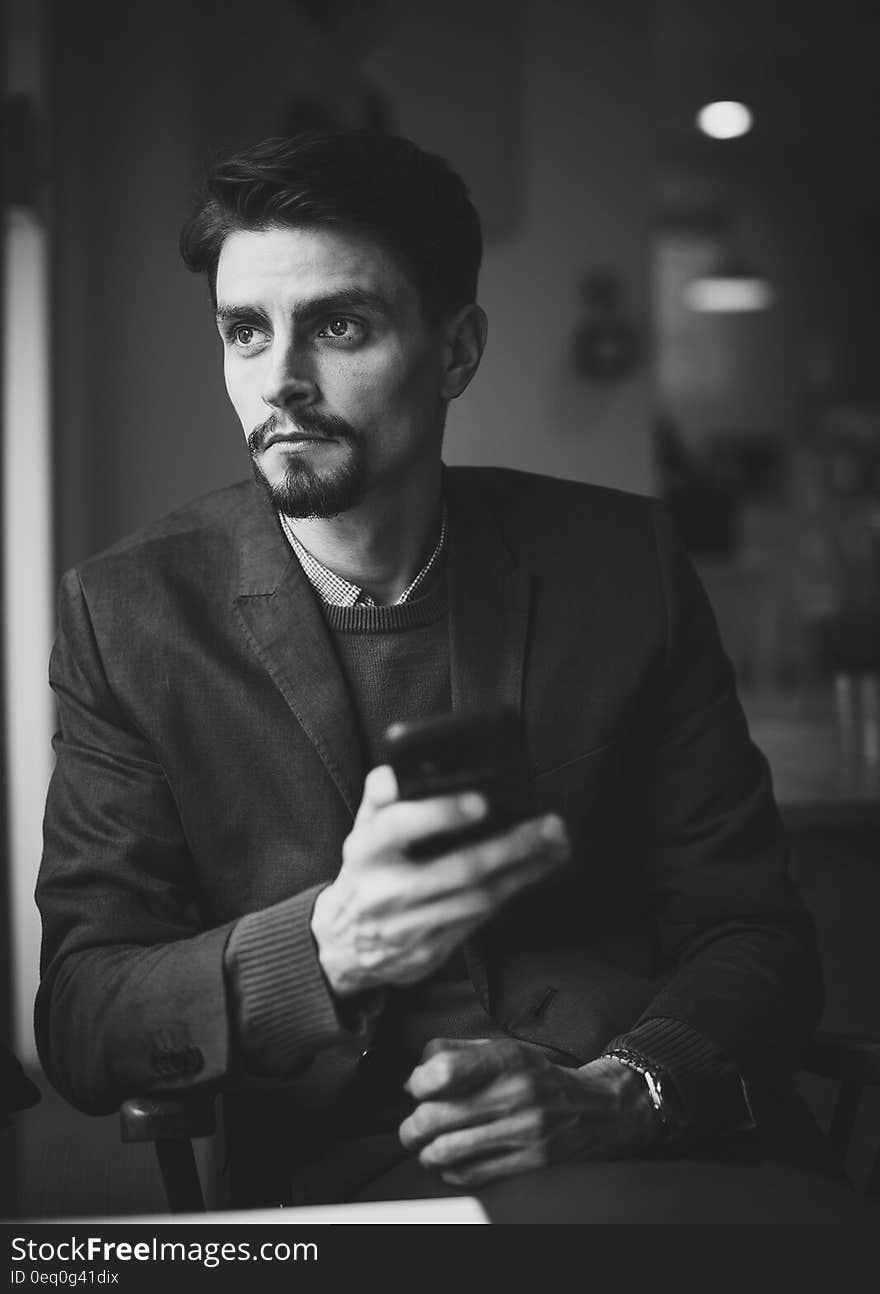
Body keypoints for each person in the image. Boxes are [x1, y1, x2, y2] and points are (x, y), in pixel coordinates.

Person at [35, 129, 827, 1214]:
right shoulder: (125, 618)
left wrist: (621, 1091)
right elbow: (82, 1016)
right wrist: (323, 948)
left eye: (339, 324)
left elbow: (753, 930)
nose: (281, 379)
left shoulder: (623, 565)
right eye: (243, 331)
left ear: (455, 352)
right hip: (356, 1192)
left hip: (648, 1149)